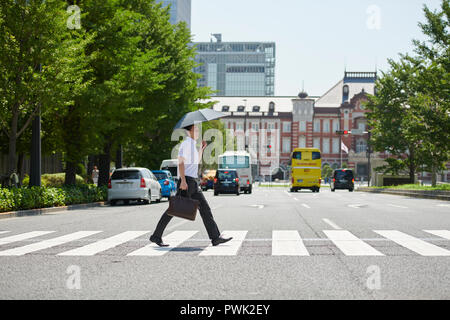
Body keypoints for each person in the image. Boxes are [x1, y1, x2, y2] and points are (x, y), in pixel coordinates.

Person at [149, 124, 232, 247]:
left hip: (192, 181)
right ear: (189, 132)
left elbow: (195, 162)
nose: (198, 132)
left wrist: (202, 149)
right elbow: (181, 163)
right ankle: (156, 236)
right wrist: (182, 181)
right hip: (186, 181)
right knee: (174, 209)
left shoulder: (193, 145)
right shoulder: (186, 144)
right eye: (196, 130)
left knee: (204, 209)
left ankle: (215, 237)